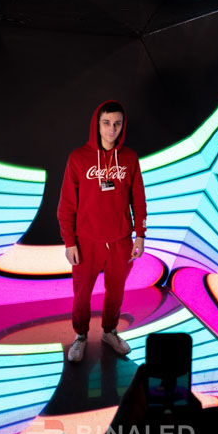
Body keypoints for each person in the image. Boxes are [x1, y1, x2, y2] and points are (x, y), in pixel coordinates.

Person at [58, 100, 147, 363]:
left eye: (117, 124)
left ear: (123, 126)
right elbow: (66, 204)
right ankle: (80, 336)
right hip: (87, 241)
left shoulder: (130, 158)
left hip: (121, 240)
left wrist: (140, 235)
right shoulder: (78, 158)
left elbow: (138, 199)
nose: (111, 129)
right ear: (97, 125)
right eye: (106, 123)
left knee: (116, 292)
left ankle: (110, 331)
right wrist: (69, 242)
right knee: (81, 294)